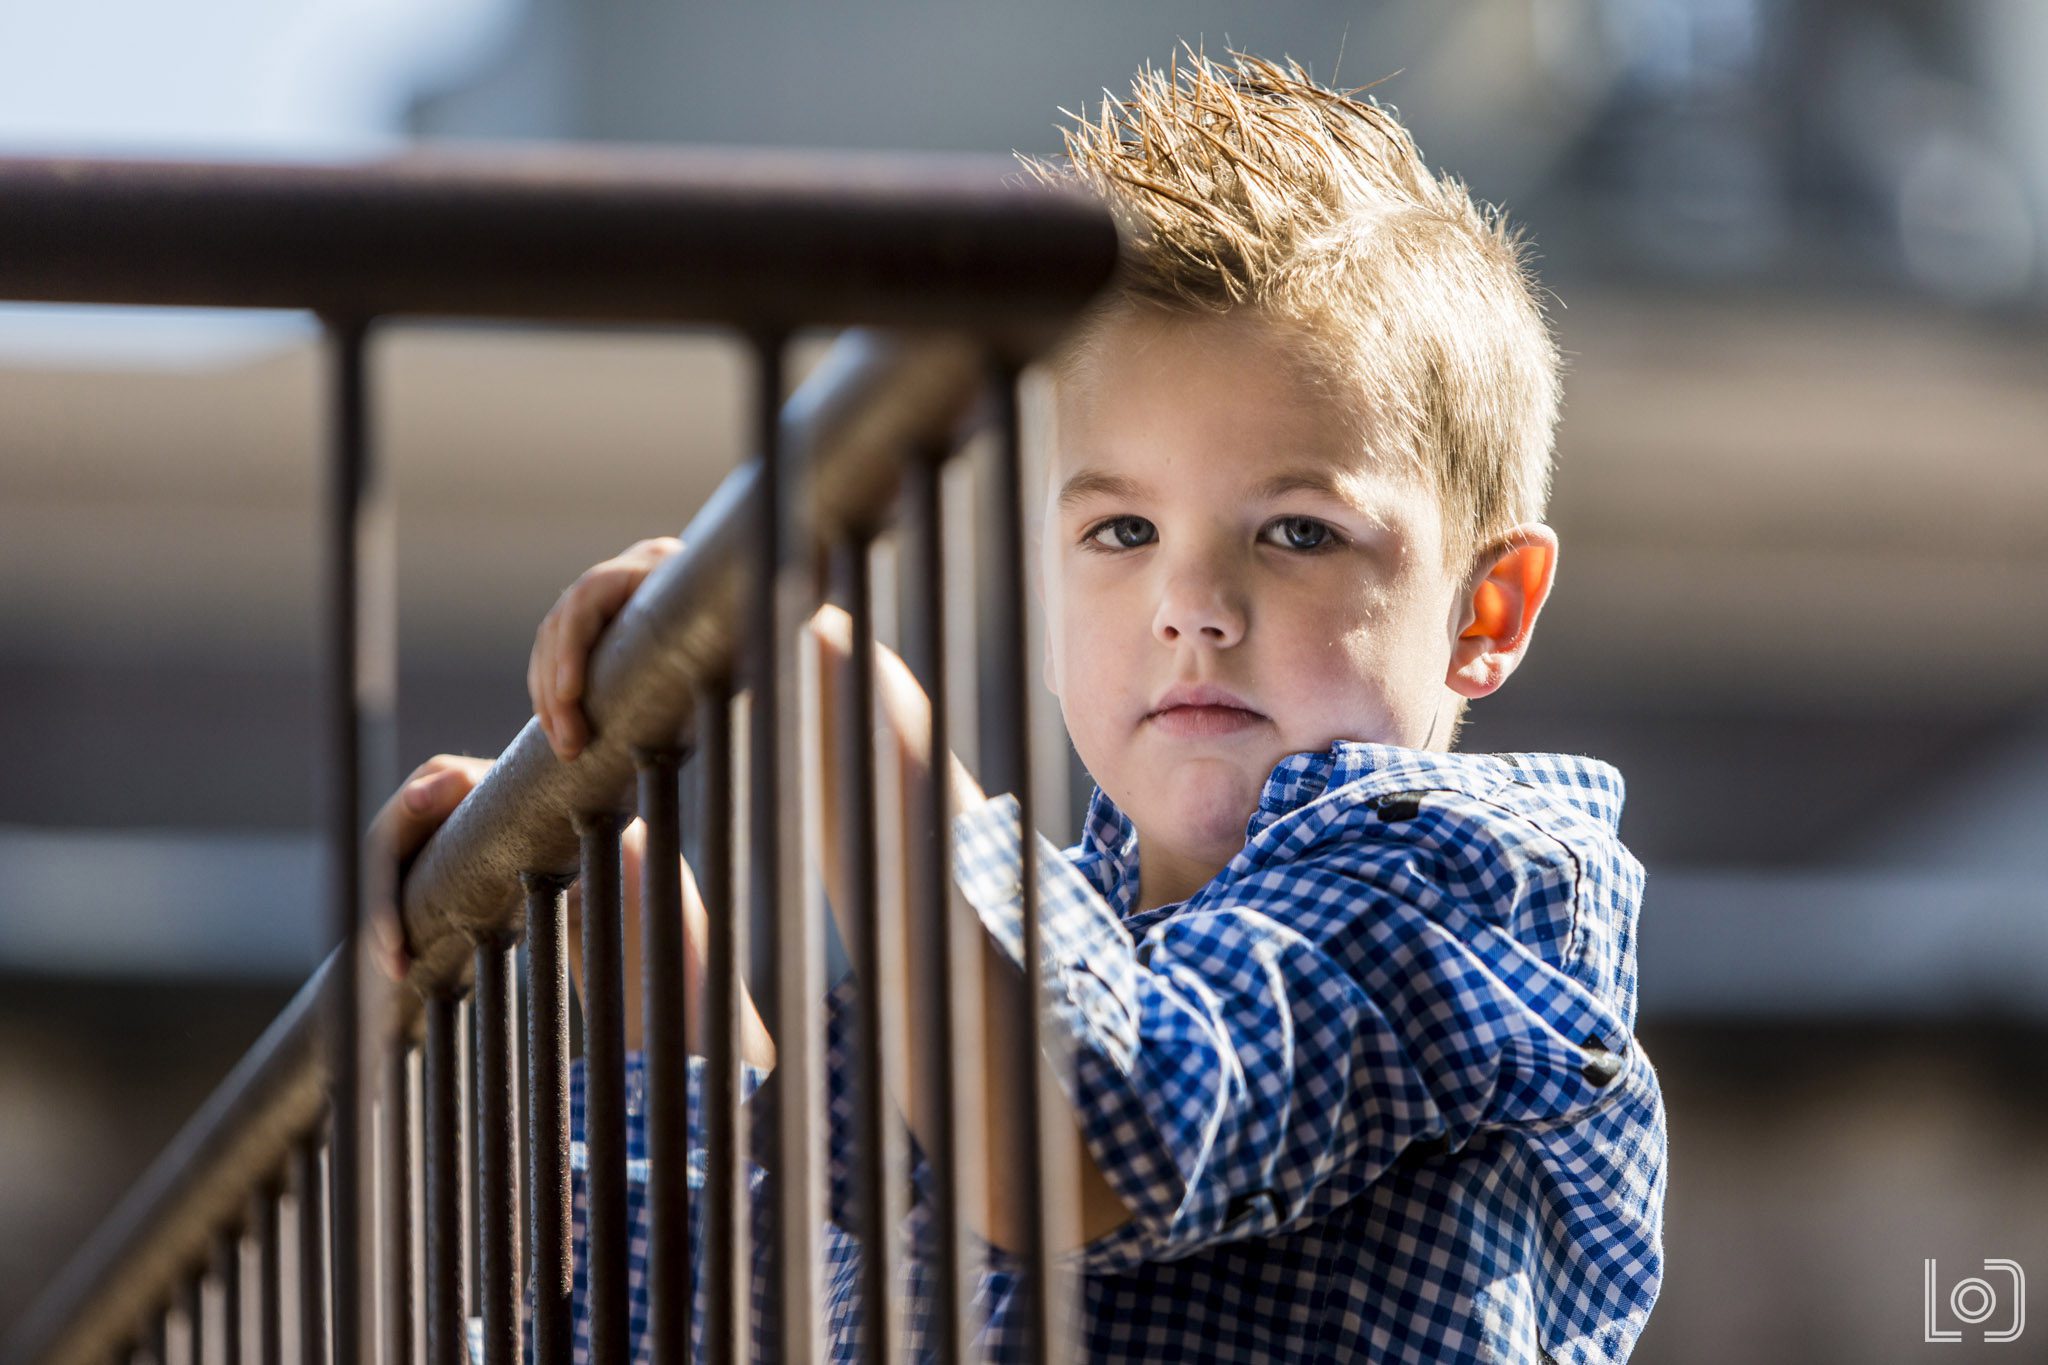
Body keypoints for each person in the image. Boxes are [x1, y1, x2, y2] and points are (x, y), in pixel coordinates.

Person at [376, 45, 1666, 1364]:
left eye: (1295, 529)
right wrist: (603, 882)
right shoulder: (1066, 932)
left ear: (1486, 609)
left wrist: (820, 673)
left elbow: (1079, 1136)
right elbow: (788, 1273)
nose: (1193, 604)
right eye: (1121, 529)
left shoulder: (1456, 890)